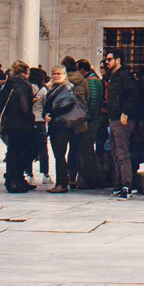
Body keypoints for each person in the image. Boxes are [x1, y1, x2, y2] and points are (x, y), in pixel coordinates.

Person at [104, 48, 143, 199]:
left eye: (109, 59)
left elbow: (133, 95)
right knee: (115, 151)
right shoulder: (114, 76)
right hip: (114, 119)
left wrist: (125, 113)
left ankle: (127, 186)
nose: (107, 62)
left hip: (122, 120)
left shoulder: (125, 75)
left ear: (117, 60)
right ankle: (119, 184)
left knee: (122, 153)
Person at [0, 61, 36, 193]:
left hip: (9, 122)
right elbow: (24, 105)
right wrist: (31, 117)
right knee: (26, 151)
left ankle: (16, 178)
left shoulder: (8, 84)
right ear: (25, 72)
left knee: (13, 151)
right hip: (22, 123)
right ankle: (14, 179)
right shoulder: (24, 85)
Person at [44, 65, 81, 192]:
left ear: (64, 75)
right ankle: (61, 181)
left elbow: (66, 105)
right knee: (57, 155)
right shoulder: (53, 87)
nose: (55, 76)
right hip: (54, 125)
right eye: (54, 73)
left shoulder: (67, 87)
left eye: (58, 74)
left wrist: (52, 114)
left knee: (60, 155)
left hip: (62, 126)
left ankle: (62, 183)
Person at [62, 56, 89, 189]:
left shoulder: (62, 81)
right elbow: (87, 98)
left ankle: (62, 178)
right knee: (75, 150)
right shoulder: (83, 80)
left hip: (63, 120)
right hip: (79, 120)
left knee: (61, 151)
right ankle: (73, 177)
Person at [76, 58, 103, 188]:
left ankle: (92, 178)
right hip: (93, 119)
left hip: (92, 120)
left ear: (82, 70)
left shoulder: (91, 81)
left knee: (87, 150)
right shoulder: (92, 79)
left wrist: (87, 118)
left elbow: (92, 102)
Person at [26, 68, 53, 186]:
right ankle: (45, 174)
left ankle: (29, 174)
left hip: (29, 121)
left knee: (28, 148)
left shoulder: (27, 88)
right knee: (43, 150)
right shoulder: (43, 90)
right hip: (40, 121)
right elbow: (46, 106)